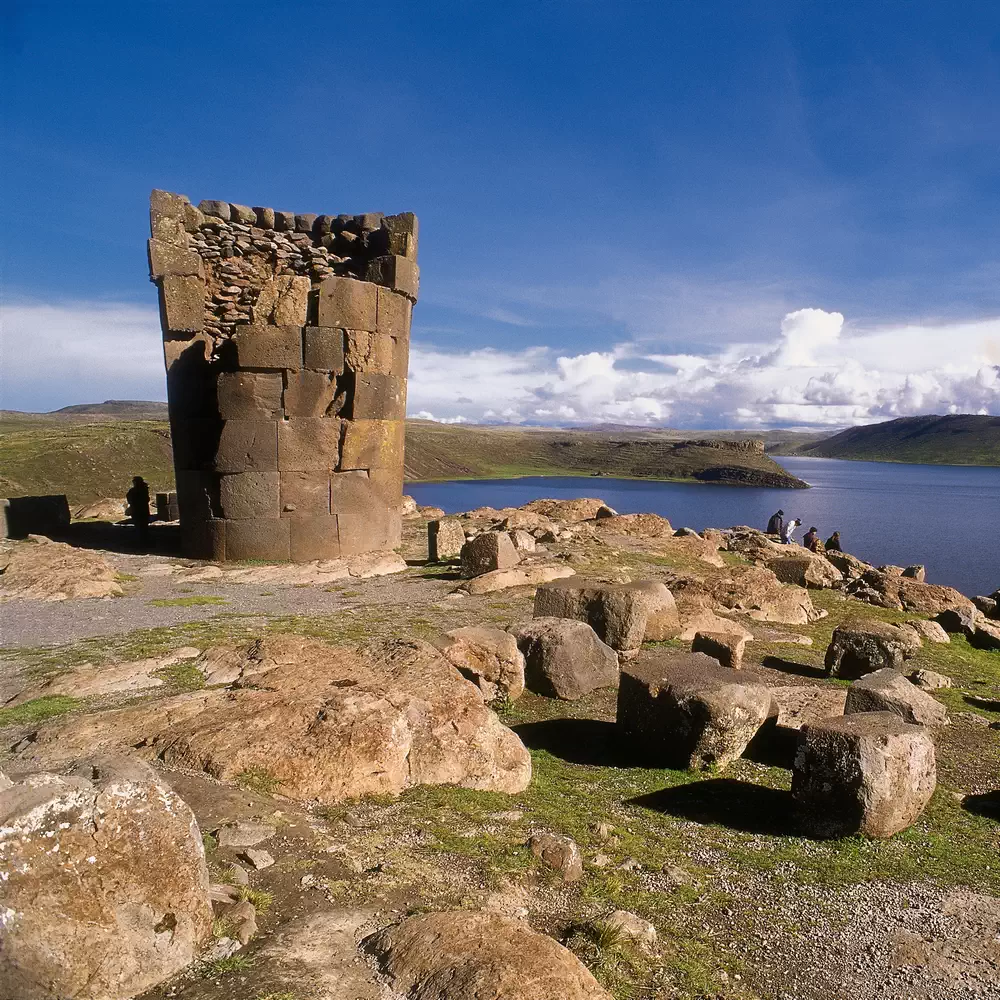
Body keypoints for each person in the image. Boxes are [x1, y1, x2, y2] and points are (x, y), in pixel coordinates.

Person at [126, 476, 151, 548]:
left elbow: (129, 499)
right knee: (144, 527)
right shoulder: (144, 489)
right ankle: (144, 541)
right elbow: (147, 499)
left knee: (139, 527)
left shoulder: (133, 491)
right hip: (143, 510)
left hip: (137, 511)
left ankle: (141, 542)